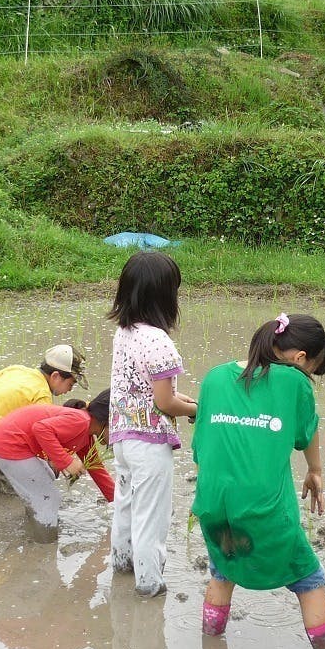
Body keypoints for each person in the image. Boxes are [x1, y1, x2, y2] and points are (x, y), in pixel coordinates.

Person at [193, 313, 325, 649]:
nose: (308, 378)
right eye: (311, 370)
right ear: (300, 358)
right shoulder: (294, 381)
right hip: (263, 509)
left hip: (212, 504)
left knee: (223, 570)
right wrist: (315, 469)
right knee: (310, 579)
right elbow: (305, 432)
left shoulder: (214, 377)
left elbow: (199, 449)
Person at [107, 251, 198, 598]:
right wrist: (193, 411)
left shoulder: (125, 332)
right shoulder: (159, 341)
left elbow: (144, 387)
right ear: (164, 296)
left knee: (127, 505)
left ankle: (122, 563)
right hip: (149, 443)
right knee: (152, 516)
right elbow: (164, 402)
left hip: (124, 438)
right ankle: (148, 583)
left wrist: (183, 399)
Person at [0, 391, 114, 542]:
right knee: (50, 498)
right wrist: (67, 461)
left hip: (4, 441)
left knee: (44, 484)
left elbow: (96, 469)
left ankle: (36, 525)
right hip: (9, 443)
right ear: (107, 421)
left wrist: (117, 501)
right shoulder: (81, 421)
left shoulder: (86, 433)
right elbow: (41, 428)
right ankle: (45, 546)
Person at [0, 345, 85, 489]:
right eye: (70, 384)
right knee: (15, 483)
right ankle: (2, 504)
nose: (69, 390)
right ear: (55, 376)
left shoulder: (18, 369)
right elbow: (41, 438)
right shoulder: (42, 395)